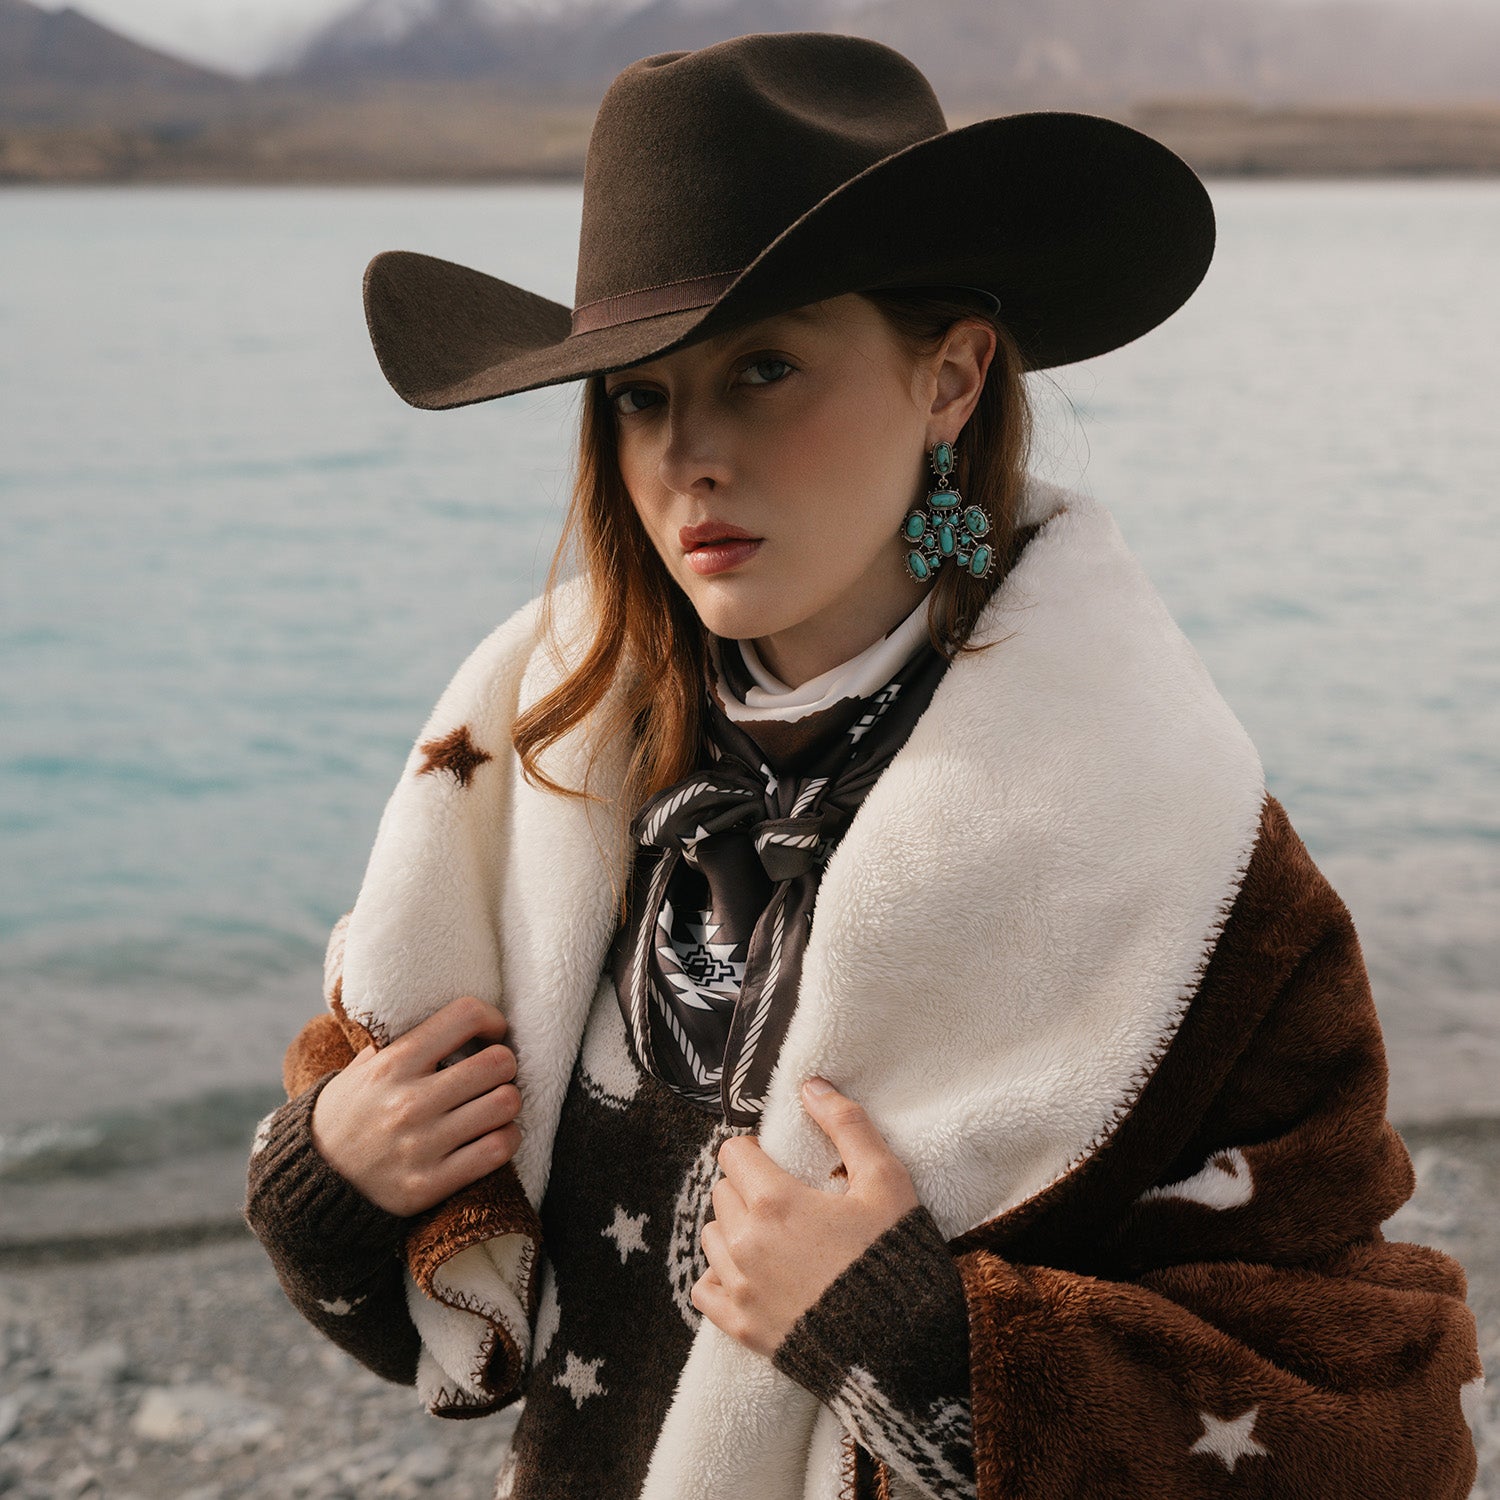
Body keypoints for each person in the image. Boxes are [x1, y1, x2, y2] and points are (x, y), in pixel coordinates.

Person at [244, 30, 1482, 1500]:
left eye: (765, 367)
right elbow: (457, 1324)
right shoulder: (537, 767)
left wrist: (932, 1349)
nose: (688, 453)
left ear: (951, 377)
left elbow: (1385, 1412)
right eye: (638, 393)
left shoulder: (1182, 851)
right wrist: (335, 1173)